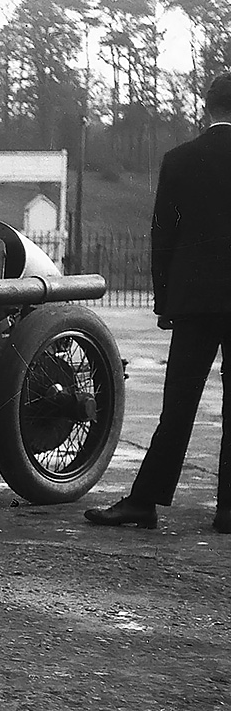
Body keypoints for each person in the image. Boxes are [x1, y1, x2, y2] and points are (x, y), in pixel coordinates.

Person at [85, 72, 231, 533]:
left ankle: (145, 501)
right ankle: (228, 510)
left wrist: (164, 299)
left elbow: (163, 235)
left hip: (194, 299)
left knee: (179, 404)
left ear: (206, 107)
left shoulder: (180, 159)